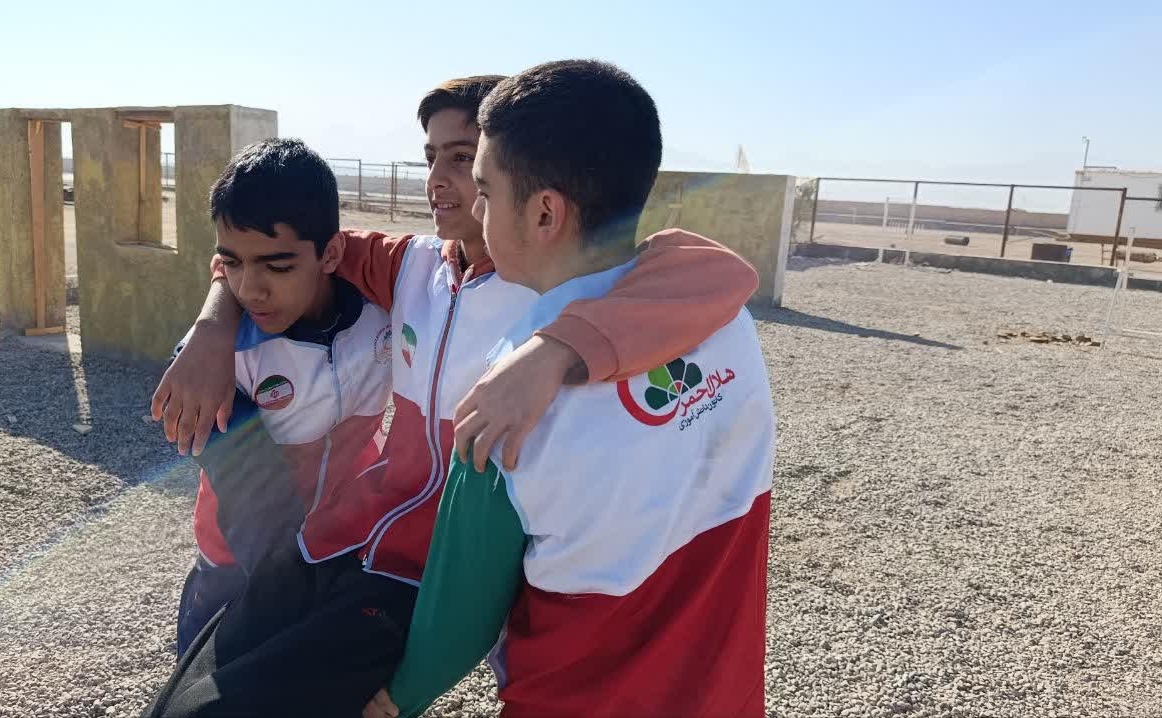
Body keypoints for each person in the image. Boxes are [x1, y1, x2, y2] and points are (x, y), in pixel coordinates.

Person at [144, 73, 759, 718]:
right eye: (430, 157)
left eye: (466, 162)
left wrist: (554, 348)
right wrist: (213, 327)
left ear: (536, 200)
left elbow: (715, 271)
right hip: (341, 540)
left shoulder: (547, 287)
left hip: (425, 571)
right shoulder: (413, 264)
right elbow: (272, 244)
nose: (439, 180)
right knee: (194, 688)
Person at [365, 59, 775, 718]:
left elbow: (459, 622)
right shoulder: (723, 319)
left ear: (545, 213)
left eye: (485, 189)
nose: (476, 208)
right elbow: (711, 265)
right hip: (725, 697)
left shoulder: (506, 405)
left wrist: (394, 700)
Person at [170, 138, 392, 655]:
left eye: (277, 266)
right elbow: (252, 502)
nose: (251, 289)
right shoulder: (216, 360)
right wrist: (210, 327)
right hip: (238, 569)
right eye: (234, 264)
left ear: (331, 253)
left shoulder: (385, 314)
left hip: (347, 549)